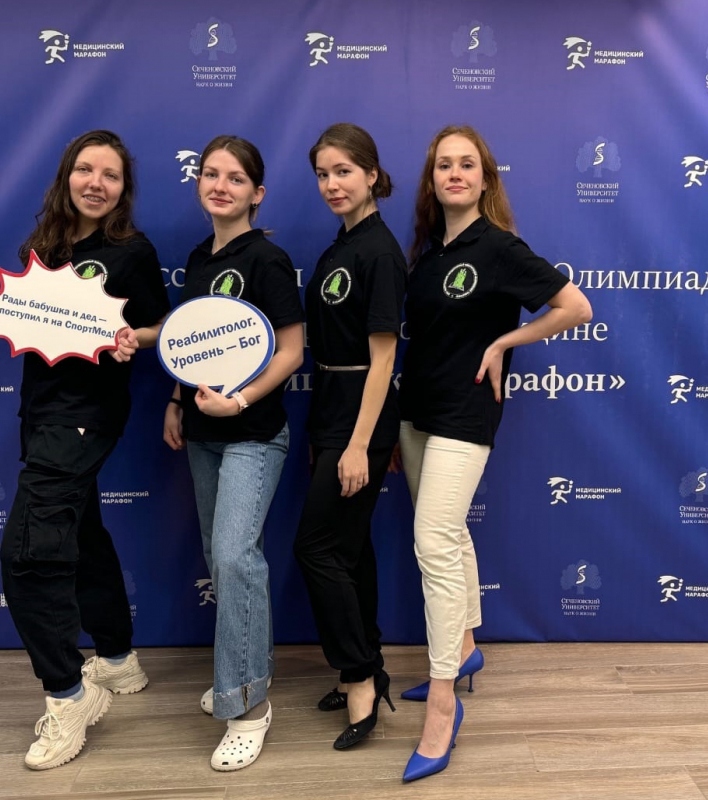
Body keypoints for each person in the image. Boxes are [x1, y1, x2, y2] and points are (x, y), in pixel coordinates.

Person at [398, 125, 592, 782]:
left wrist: (507, 342)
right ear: (432, 180)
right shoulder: (428, 254)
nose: (454, 173)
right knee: (449, 535)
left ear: (485, 177)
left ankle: (443, 702)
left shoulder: (500, 247)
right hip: (417, 415)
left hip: (466, 412)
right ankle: (466, 648)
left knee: (433, 542)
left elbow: (575, 307)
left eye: (467, 164)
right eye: (443, 165)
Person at [0, 130, 170, 770]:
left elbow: (162, 324)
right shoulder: (44, 248)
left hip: (86, 418)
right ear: (67, 176)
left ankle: (68, 695)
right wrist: (0, 316)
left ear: (123, 189)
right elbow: (35, 324)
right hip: (40, 413)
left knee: (28, 555)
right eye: (86, 170)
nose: (96, 183)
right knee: (81, 531)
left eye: (111, 175)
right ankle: (116, 657)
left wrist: (133, 338)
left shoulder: (131, 250)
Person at [163, 135, 304, 771]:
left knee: (235, 557)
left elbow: (292, 350)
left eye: (236, 178)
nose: (221, 185)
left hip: (254, 433)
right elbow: (189, 343)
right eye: (211, 174)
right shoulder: (199, 258)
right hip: (202, 434)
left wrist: (241, 400)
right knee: (222, 565)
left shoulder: (268, 259)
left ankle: (248, 706)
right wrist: (176, 400)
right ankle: (239, 674)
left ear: (256, 193)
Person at [293, 123, 406, 750]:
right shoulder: (341, 245)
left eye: (343, 171)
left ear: (371, 174)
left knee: (316, 548)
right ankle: (368, 663)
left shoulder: (379, 252)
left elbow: (383, 358)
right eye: (322, 174)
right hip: (332, 411)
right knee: (350, 550)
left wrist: (361, 444)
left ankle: (359, 675)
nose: (332, 184)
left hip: (360, 418)